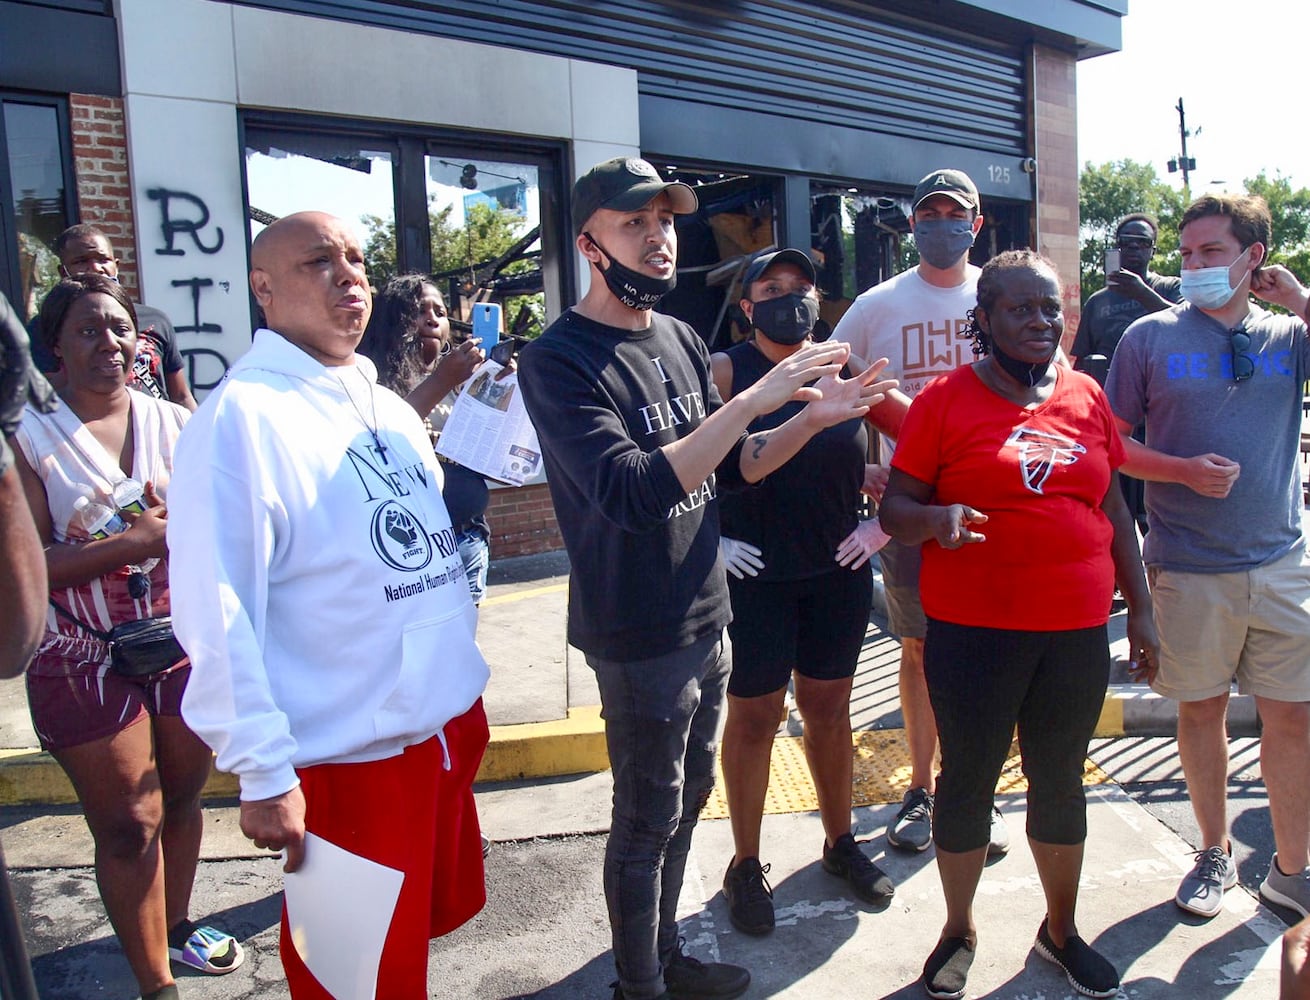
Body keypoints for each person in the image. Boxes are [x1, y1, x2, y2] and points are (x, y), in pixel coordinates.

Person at [517, 157, 893, 1000]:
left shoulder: (680, 340)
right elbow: (633, 490)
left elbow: (736, 466)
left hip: (706, 612)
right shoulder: (557, 360)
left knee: (687, 803)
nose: (658, 238)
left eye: (665, 221)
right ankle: (639, 985)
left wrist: (811, 421)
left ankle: (667, 957)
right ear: (589, 244)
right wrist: (755, 399)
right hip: (638, 626)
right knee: (645, 820)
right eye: (634, 223)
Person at [166, 212, 491, 999]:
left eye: (355, 259)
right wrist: (262, 768)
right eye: (318, 262)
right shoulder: (241, 418)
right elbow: (216, 607)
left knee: (404, 960)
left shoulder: (385, 406)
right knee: (351, 981)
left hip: (438, 734)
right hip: (349, 764)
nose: (349, 275)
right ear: (264, 288)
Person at [880, 250, 1157, 1000]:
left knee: (1059, 778)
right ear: (985, 319)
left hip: (1075, 633)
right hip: (974, 634)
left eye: (1050, 308)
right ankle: (957, 929)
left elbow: (1114, 505)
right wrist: (936, 518)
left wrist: (1141, 610)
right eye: (1020, 308)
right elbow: (896, 508)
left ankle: (1060, 931)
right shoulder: (943, 401)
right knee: (968, 780)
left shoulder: (1086, 394)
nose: (1040, 321)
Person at [11, 275, 241, 1000]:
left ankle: (175, 925)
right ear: (55, 347)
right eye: (88, 330)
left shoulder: (178, 422)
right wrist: (131, 543)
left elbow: (227, 523)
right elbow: (25, 565)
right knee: (128, 824)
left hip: (180, 639)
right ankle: (155, 984)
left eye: (119, 329)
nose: (110, 343)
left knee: (182, 796)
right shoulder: (27, 437)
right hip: (79, 654)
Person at [1104, 193, 1310, 922]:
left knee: (1293, 719)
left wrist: (1302, 300)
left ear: (1254, 256)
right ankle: (1213, 850)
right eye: (1186, 254)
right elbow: (1108, 443)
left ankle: (1292, 869)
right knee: (1201, 713)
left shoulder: (1290, 334)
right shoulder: (1149, 337)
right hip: (1187, 567)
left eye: (1211, 252)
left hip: (1282, 562)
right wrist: (1181, 472)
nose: (1193, 266)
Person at [711, 249, 894, 936]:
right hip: (754, 575)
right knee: (756, 717)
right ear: (748, 307)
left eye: (802, 288)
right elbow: (687, 459)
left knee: (829, 709)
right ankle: (745, 863)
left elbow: (915, 441)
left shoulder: (842, 363)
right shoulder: (725, 370)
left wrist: (882, 522)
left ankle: (840, 841)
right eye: (772, 288)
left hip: (836, 571)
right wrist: (710, 541)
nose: (789, 299)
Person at [831, 168, 1008, 857]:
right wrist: (859, 465)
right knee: (920, 648)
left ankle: (977, 790)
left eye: (953, 214)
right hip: (908, 510)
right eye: (928, 214)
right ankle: (922, 788)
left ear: (976, 224)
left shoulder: (1002, 295)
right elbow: (827, 381)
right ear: (912, 225)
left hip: (994, 508)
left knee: (992, 652)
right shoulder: (877, 305)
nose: (941, 225)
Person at [357, 274, 491, 602]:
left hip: (468, 538)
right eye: (420, 311)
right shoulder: (372, 382)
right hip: (411, 550)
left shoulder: (461, 383)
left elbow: (490, 460)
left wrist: (500, 394)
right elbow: (382, 440)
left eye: (440, 313)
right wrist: (442, 380)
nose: (432, 319)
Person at [1073, 213, 1183, 533]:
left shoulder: (1171, 288)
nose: (1134, 249)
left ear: (1153, 249)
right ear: (1116, 248)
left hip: (1160, 416)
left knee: (1157, 511)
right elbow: (1081, 362)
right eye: (1126, 243)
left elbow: (1191, 327)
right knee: (1112, 509)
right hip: (1111, 416)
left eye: (1142, 243)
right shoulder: (1098, 302)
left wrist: (1142, 293)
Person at [30, 224, 198, 411]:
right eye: (81, 261)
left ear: (116, 266)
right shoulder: (47, 325)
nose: (96, 268)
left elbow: (181, 395)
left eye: (103, 260)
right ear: (63, 272)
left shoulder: (155, 319)